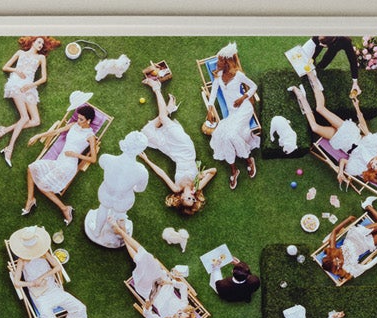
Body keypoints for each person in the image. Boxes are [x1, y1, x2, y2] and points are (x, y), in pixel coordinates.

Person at [290, 67, 377, 190]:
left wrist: (341, 172)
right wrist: (357, 107)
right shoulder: (375, 147)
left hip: (341, 142)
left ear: (372, 171)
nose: (373, 164)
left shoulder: (361, 167)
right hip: (348, 132)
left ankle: (300, 95)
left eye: (374, 168)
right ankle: (311, 75)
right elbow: (364, 126)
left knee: (315, 127)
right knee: (320, 109)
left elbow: (343, 160)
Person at [7, 226, 88, 318]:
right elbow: (16, 282)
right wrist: (32, 283)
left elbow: (57, 267)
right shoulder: (22, 260)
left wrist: (44, 276)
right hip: (39, 296)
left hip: (53, 289)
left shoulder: (43, 253)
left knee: (80, 308)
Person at [137, 72, 216, 213]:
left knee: (146, 133)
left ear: (180, 197)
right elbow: (214, 171)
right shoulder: (197, 186)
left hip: (173, 153)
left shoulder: (176, 188)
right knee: (162, 117)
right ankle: (156, 87)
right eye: (193, 199)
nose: (191, 198)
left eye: (188, 199)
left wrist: (147, 159)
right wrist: (202, 174)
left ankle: (169, 109)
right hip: (185, 148)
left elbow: (161, 173)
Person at [21, 100, 100, 223]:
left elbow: (93, 159)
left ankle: (65, 208)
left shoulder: (90, 136)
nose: (78, 121)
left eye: (81, 119)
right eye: (78, 118)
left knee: (42, 186)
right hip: (59, 161)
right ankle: (30, 198)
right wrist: (37, 136)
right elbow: (56, 131)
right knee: (31, 168)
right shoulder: (74, 125)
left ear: (88, 120)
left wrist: (76, 154)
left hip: (69, 165)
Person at [203, 43, 260, 190]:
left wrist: (243, 98)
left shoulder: (238, 75)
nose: (217, 63)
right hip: (233, 113)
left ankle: (246, 161)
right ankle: (236, 168)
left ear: (227, 62)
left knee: (230, 135)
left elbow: (254, 86)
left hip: (245, 109)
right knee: (222, 135)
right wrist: (210, 108)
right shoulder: (219, 76)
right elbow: (213, 93)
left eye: (220, 60)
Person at [81, 130, 150, 248]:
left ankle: (97, 231)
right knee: (120, 214)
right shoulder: (142, 172)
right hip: (123, 200)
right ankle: (117, 232)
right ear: (140, 150)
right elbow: (140, 189)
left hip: (106, 195)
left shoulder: (106, 159)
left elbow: (103, 166)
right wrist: (130, 186)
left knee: (102, 209)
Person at [0, 36, 55, 162]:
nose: (40, 45)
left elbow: (44, 78)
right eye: (39, 42)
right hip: (17, 84)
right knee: (25, 117)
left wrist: (31, 85)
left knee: (36, 121)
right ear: (32, 42)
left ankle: (4, 130)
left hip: (29, 86)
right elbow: (5, 67)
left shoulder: (41, 57)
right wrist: (16, 70)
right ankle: (9, 148)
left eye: (42, 44)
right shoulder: (20, 53)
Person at [320, 204, 377, 281]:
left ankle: (367, 206)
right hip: (366, 244)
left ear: (331, 258)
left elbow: (334, 231)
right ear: (335, 268)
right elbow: (365, 267)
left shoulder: (332, 251)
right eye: (337, 264)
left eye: (335, 260)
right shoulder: (346, 267)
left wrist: (348, 219)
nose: (338, 261)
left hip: (357, 235)